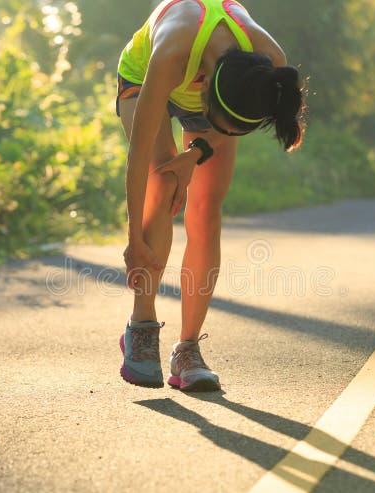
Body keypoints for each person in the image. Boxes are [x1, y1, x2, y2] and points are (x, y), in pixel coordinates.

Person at [116, 0, 305, 392]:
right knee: (163, 179)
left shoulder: (266, 66)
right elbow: (138, 159)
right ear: (207, 86)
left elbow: (227, 127)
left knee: (205, 213)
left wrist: (197, 152)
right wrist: (134, 240)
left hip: (219, 101)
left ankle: (186, 349)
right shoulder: (174, 51)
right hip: (142, 79)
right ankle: (142, 325)